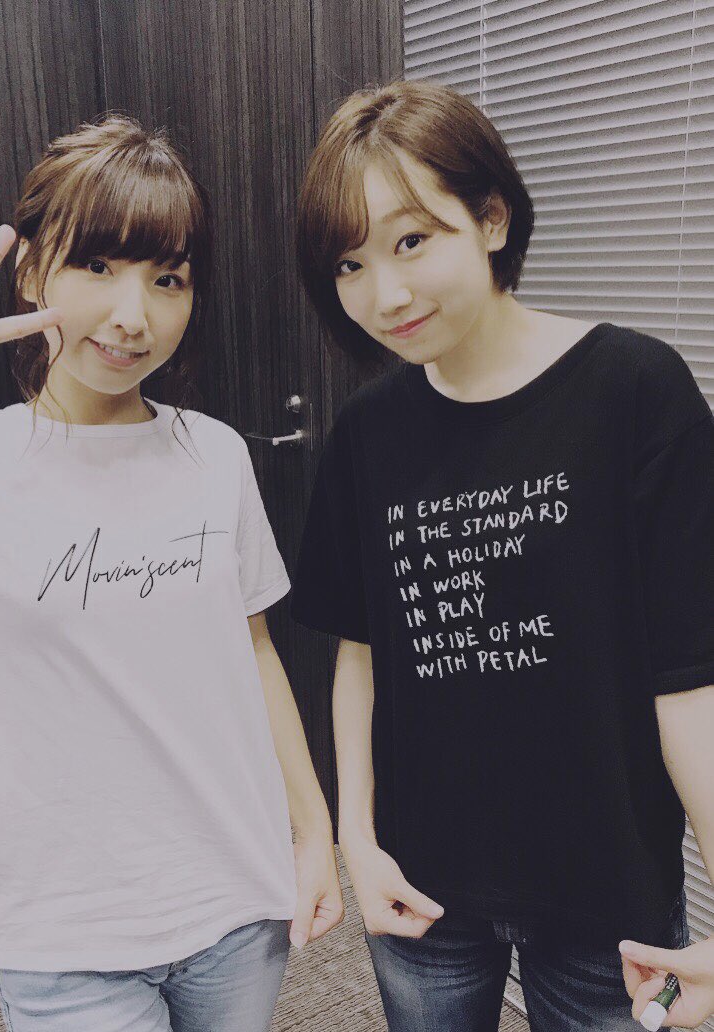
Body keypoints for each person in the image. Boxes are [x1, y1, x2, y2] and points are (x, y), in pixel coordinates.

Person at [0, 114, 342, 1032]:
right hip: (61, 936)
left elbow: (252, 649)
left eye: (167, 279)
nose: (133, 315)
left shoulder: (214, 454)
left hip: (237, 900)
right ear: (31, 272)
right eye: (97, 266)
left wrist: (312, 832)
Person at [288, 79, 714, 1031]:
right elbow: (361, 654)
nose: (385, 295)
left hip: (607, 895)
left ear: (491, 217)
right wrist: (358, 840)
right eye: (350, 263)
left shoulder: (636, 392)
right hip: (421, 888)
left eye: (412, 240)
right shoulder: (367, 435)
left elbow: (689, 683)